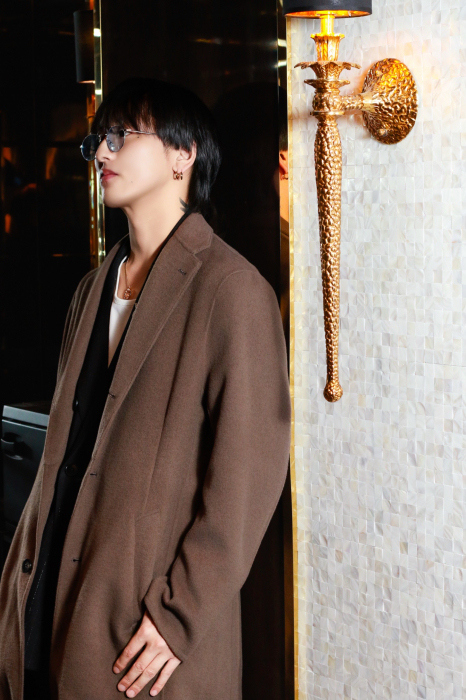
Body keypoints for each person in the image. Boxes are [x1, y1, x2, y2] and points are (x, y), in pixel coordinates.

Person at [0, 77, 292, 700]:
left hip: (142, 633)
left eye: (120, 136)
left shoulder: (232, 291)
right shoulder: (90, 289)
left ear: (183, 155)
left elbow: (245, 483)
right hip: (48, 610)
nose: (101, 153)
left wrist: (177, 615)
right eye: (97, 141)